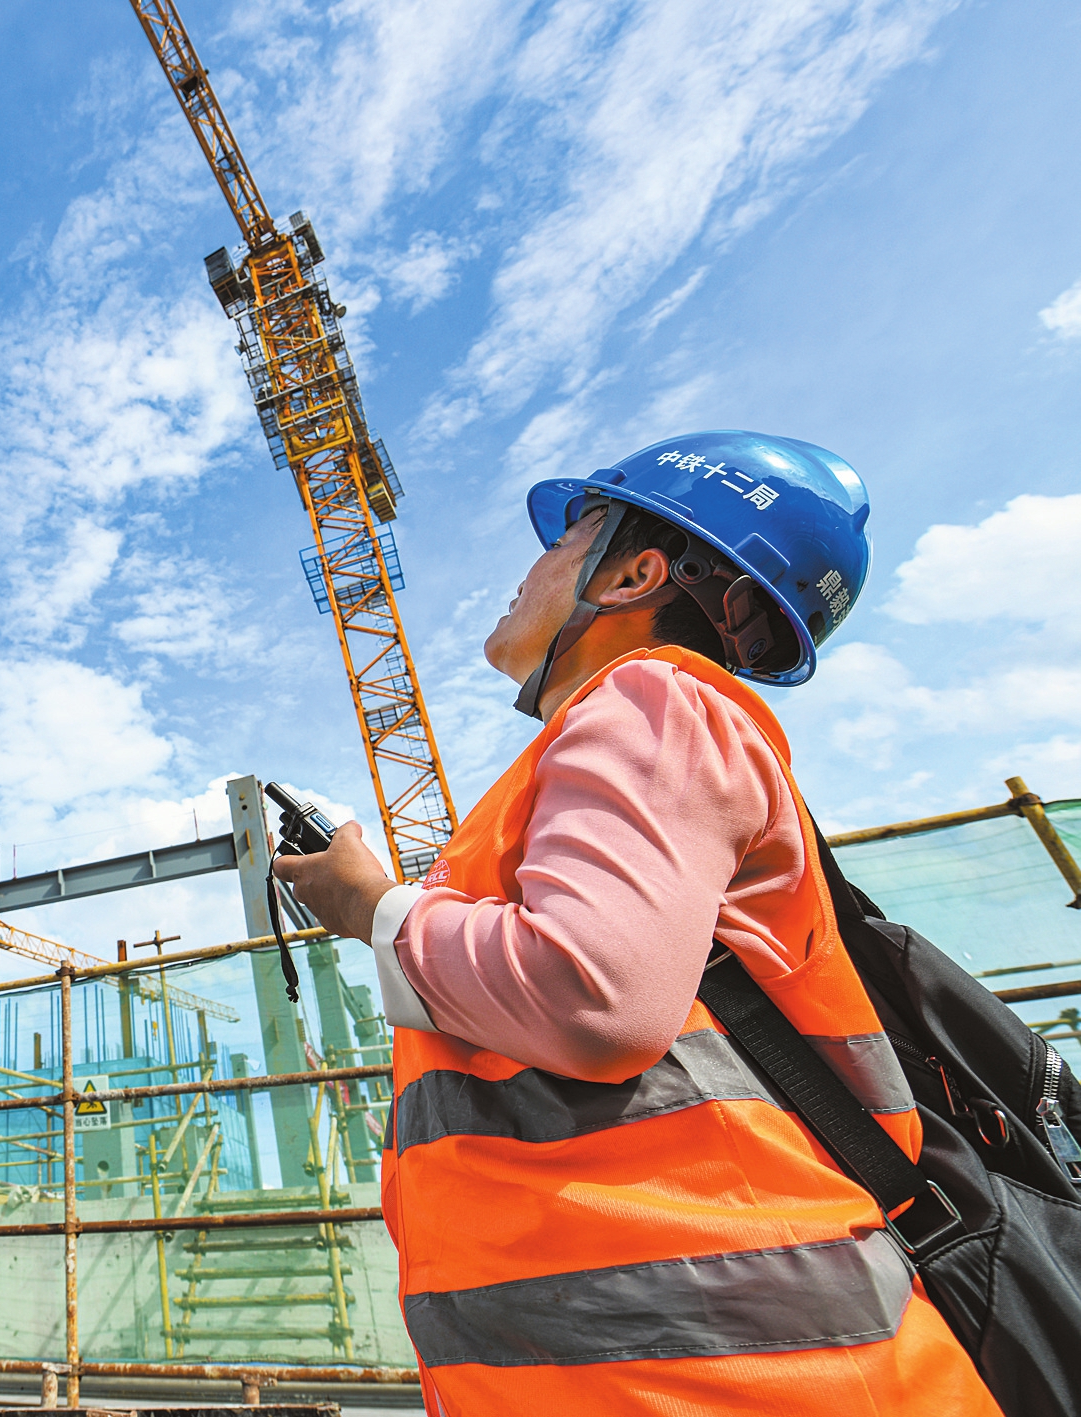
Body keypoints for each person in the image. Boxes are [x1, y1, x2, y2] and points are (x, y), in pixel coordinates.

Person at [273, 431, 997, 1414]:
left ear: (634, 572)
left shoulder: (652, 698)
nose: (524, 571)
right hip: (670, 1356)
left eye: (563, 539)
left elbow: (590, 994)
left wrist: (371, 907)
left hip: (726, 1371)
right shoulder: (604, 760)